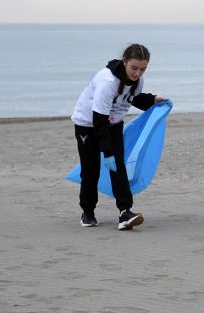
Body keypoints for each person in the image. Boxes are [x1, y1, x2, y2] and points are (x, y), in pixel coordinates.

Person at [71, 44, 167, 230]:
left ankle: (125, 212)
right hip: (88, 125)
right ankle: (88, 213)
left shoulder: (138, 80)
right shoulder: (107, 82)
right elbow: (99, 121)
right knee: (91, 170)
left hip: (113, 123)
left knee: (119, 166)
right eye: (134, 68)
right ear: (124, 62)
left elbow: (133, 98)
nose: (138, 73)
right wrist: (107, 153)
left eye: (143, 69)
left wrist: (153, 100)